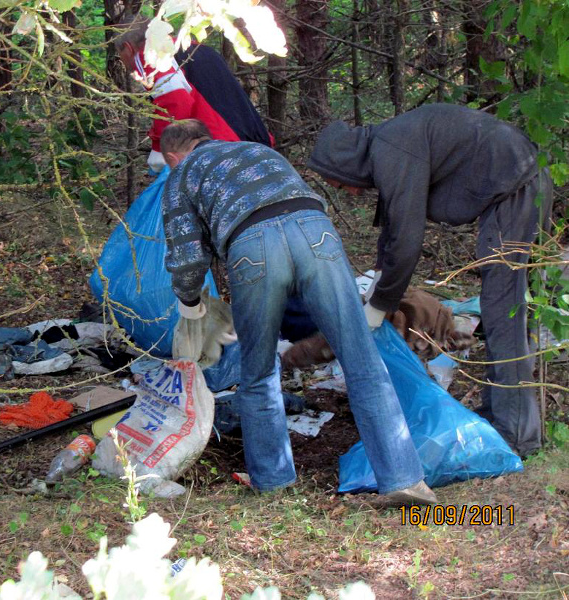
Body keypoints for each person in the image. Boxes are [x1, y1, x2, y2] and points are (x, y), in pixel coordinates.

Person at [160, 118, 437, 503]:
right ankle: (405, 480)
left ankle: (273, 483)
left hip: (252, 247)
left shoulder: (182, 174)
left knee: (258, 373)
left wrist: (191, 307)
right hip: (316, 230)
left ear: (174, 156)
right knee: (362, 361)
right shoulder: (256, 151)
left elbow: (188, 258)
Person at [307, 103, 553, 457]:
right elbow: (393, 222)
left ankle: (516, 434)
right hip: (518, 181)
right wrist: (379, 278)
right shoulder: (388, 145)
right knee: (505, 311)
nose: (345, 190)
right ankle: (504, 416)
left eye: (336, 181)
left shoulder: (393, 148)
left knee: (504, 312)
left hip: (516, 186)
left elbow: (408, 237)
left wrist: (379, 307)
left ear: (344, 162)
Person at [115, 18, 273, 173]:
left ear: (128, 48)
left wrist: (160, 151)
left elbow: (175, 101)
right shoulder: (197, 48)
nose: (124, 63)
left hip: (221, 152)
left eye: (121, 55)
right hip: (255, 142)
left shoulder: (155, 56)